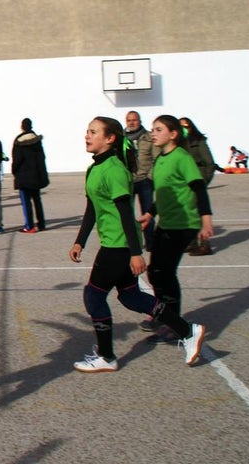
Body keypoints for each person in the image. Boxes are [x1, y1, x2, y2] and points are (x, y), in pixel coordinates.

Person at [68, 117, 205, 373]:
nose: (87, 135)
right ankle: (188, 330)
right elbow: (92, 209)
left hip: (119, 246)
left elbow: (125, 215)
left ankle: (106, 356)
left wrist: (135, 253)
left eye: (94, 132)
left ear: (110, 138)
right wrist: (80, 241)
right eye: (87, 131)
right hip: (113, 243)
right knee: (131, 297)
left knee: (94, 296)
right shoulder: (95, 169)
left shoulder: (114, 170)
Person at [137, 115, 215, 344]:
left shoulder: (182, 158)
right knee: (155, 271)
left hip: (183, 224)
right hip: (166, 223)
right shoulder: (161, 158)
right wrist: (150, 213)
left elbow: (199, 188)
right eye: (153, 129)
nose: (153, 133)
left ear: (173, 134)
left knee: (165, 272)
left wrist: (206, 220)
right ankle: (163, 315)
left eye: (158, 129)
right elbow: (163, 192)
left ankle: (173, 326)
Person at [178, 117, 216, 256]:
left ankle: (205, 244)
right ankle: (192, 242)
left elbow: (209, 163)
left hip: (197, 178)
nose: (184, 130)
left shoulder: (198, 141)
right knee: (188, 212)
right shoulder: (179, 144)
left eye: (186, 126)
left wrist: (204, 180)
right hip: (184, 182)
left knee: (201, 213)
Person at [12, 118, 49, 233]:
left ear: (22, 126)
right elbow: (42, 158)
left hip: (24, 176)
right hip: (35, 176)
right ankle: (41, 224)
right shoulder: (37, 140)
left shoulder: (19, 142)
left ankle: (29, 226)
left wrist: (14, 171)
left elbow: (17, 160)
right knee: (37, 200)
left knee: (26, 202)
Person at [125, 111, 155, 248]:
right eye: (129, 120)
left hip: (145, 180)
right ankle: (132, 241)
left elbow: (157, 158)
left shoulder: (149, 137)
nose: (132, 122)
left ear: (140, 121)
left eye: (134, 120)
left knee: (148, 212)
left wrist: (150, 176)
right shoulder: (121, 138)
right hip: (128, 181)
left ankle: (150, 242)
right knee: (127, 214)